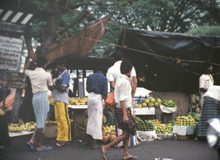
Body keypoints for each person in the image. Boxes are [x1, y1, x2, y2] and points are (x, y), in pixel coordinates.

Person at [101, 60, 138, 160]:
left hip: (122, 110)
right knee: (126, 133)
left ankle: (125, 154)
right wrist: (126, 114)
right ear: (129, 71)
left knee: (127, 131)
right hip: (123, 110)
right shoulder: (124, 82)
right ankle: (106, 147)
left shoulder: (120, 80)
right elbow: (122, 99)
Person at [107, 50, 138, 148]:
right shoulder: (129, 68)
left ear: (114, 59)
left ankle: (123, 148)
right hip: (124, 104)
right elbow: (134, 81)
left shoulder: (111, 69)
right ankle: (108, 147)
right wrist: (132, 95)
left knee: (120, 126)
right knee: (128, 128)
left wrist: (118, 90)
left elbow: (112, 85)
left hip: (118, 103)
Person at [25, 55, 53, 152]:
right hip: (43, 96)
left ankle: (33, 140)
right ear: (45, 65)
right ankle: (38, 145)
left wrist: (30, 60)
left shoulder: (31, 73)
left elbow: (25, 69)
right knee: (41, 122)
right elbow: (51, 86)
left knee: (39, 119)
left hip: (35, 97)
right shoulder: (47, 74)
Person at [86, 66, 108, 149]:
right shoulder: (104, 78)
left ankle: (88, 140)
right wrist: (105, 104)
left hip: (90, 97)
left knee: (90, 119)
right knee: (97, 120)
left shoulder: (90, 77)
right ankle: (94, 144)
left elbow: (87, 89)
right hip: (98, 98)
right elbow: (105, 93)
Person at [53, 58, 71, 147]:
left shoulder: (66, 74)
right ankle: (60, 138)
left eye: (57, 66)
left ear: (62, 65)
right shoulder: (60, 74)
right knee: (59, 119)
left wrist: (54, 86)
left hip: (62, 99)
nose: (56, 68)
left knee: (64, 119)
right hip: (57, 99)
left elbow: (63, 88)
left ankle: (66, 139)